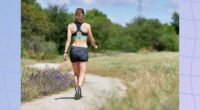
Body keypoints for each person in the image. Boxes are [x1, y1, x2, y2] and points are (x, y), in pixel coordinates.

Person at [63, 8, 98, 100]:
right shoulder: (87, 26)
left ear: (75, 15)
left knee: (75, 73)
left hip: (74, 50)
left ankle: (77, 90)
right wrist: (95, 46)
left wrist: (65, 52)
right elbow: (91, 38)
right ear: (83, 15)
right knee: (82, 73)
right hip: (83, 50)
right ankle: (78, 87)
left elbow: (68, 40)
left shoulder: (70, 26)